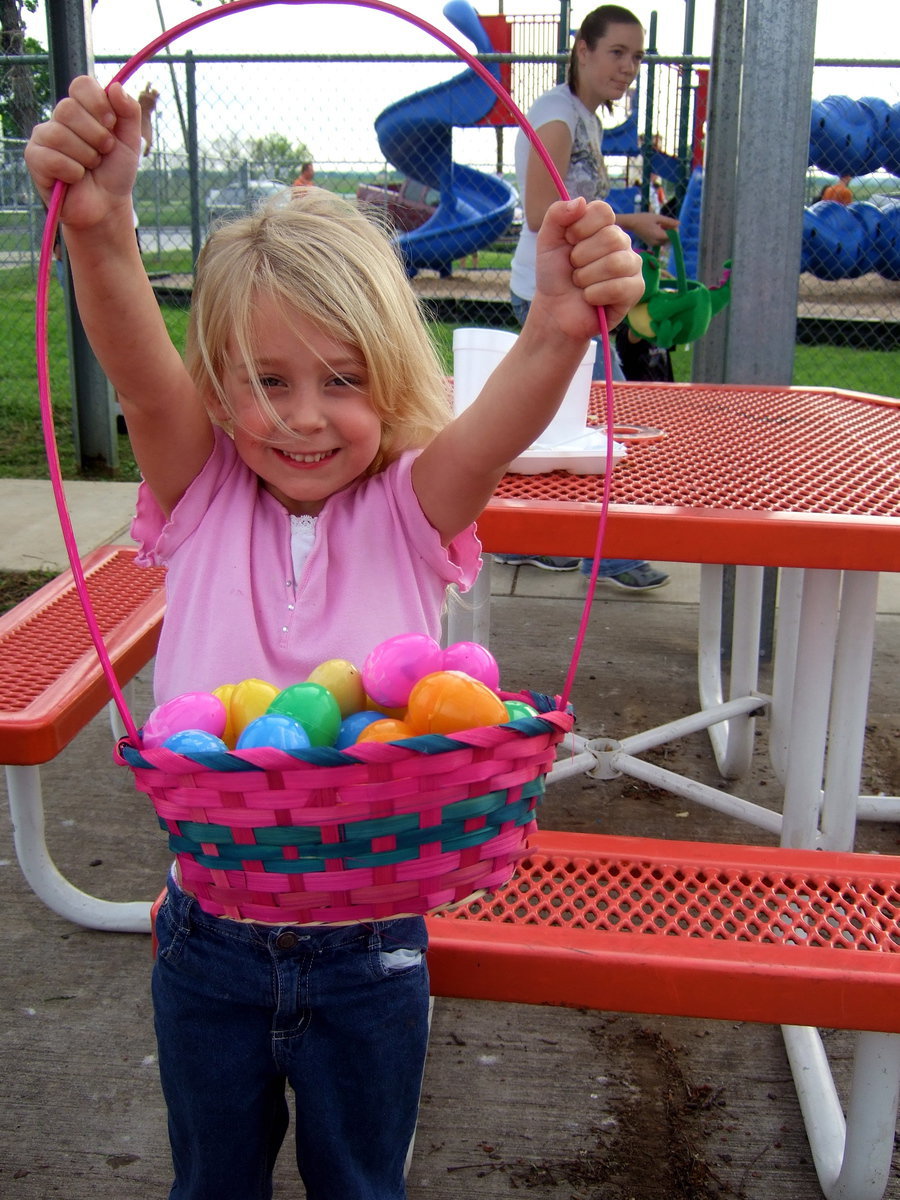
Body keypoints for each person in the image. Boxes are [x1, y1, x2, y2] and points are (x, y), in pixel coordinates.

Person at [25, 76, 643, 1200]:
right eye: (265, 383)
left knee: (362, 1182)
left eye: (342, 382)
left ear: (389, 380)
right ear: (215, 387)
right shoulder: (201, 490)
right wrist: (99, 225)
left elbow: (497, 423)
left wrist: (559, 322)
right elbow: (132, 362)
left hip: (376, 945)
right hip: (208, 928)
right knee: (211, 1179)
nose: (304, 416)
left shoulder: (411, 507)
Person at [497, 4, 675, 591]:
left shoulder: (581, 117)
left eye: (637, 56)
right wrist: (630, 221)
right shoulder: (556, 113)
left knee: (562, 421)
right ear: (584, 49)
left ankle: (532, 541)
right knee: (603, 417)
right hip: (554, 295)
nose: (629, 67)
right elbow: (541, 210)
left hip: (575, 292)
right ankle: (608, 551)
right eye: (618, 52)